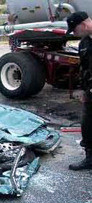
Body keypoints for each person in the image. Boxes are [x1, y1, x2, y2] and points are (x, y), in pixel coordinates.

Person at [66, 11, 92, 170]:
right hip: (90, 93)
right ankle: (90, 158)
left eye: (75, 30)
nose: (74, 33)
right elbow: (84, 69)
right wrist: (84, 91)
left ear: (83, 25)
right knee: (88, 124)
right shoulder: (84, 43)